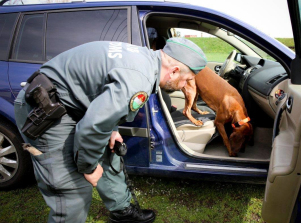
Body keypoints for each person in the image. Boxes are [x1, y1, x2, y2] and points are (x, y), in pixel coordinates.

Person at [14, 38, 207, 223]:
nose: (184, 87)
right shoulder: (138, 80)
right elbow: (93, 127)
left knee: (109, 150)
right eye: (186, 80)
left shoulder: (146, 59)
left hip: (73, 105)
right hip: (47, 112)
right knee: (72, 191)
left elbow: (103, 95)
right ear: (173, 71)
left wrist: (112, 128)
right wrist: (88, 167)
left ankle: (122, 212)